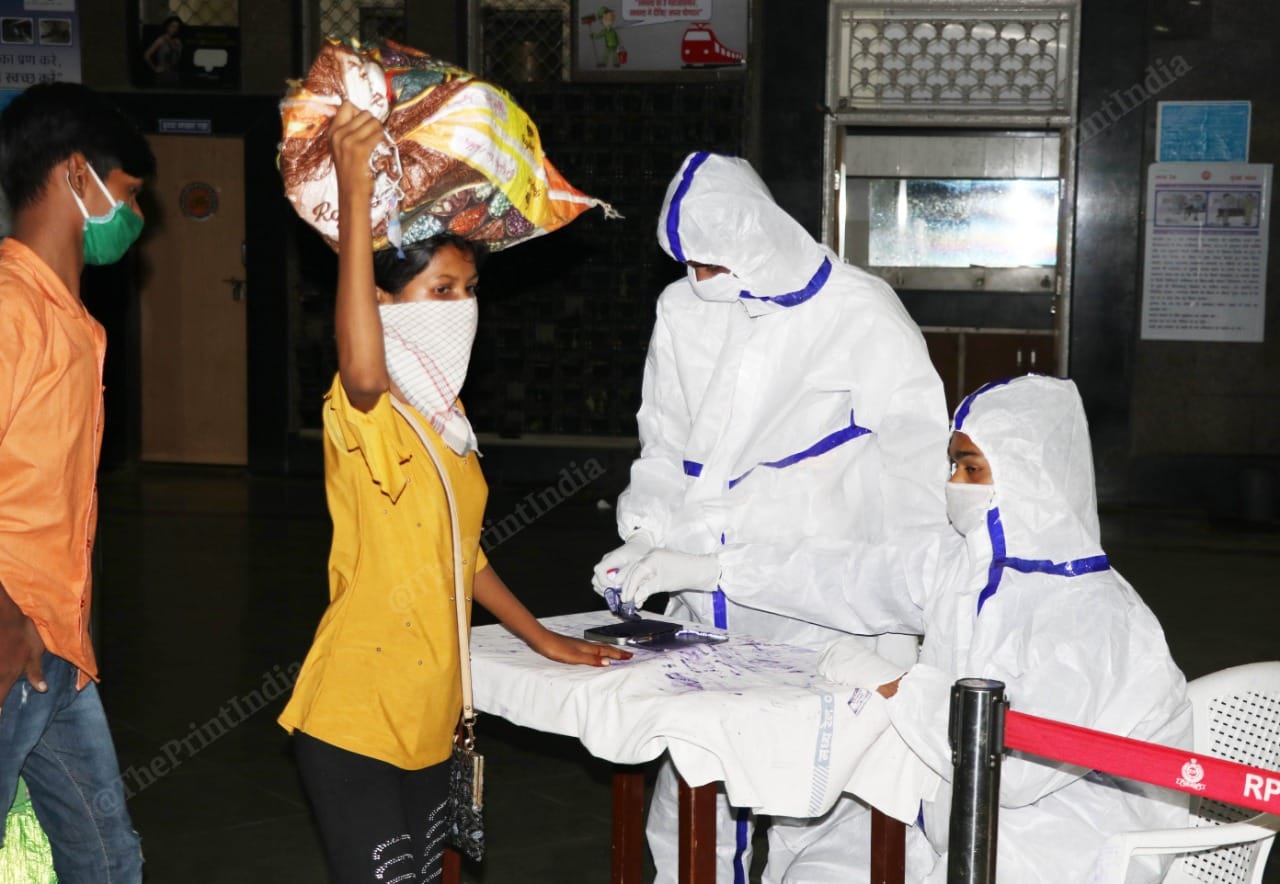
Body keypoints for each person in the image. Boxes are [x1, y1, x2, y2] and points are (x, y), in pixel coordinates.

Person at [277, 102, 631, 883]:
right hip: (357, 718)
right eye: (440, 290)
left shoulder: (449, 422)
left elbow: (459, 554)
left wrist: (541, 637)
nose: (461, 308)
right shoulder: (362, 408)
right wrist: (355, 191)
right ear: (381, 306)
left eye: (468, 290)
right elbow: (364, 369)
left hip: (433, 716)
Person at [592, 151, 950, 883]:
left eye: (713, 264)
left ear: (756, 240)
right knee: (697, 792)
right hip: (703, 601)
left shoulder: (858, 312)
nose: (698, 280)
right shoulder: (683, 310)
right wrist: (644, 534)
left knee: (822, 803)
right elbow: (663, 443)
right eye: (687, 263)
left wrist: (914, 604)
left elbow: (918, 472)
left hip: (820, 605)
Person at [819, 375, 1192, 883]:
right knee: (822, 865)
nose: (955, 483)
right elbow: (847, 576)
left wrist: (896, 686)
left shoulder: (1095, 615)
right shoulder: (970, 567)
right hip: (975, 821)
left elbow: (1013, 770)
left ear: (1029, 474)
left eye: (972, 468)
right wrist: (714, 570)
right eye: (953, 466)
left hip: (1079, 843)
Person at [0, 81, 153, 883]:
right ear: (74, 175)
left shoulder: (73, 323)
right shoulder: (10, 309)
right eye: (126, 195)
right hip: (11, 639)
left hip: (56, 648)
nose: (133, 218)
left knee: (106, 861)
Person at [143, 15, 183, 86]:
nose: (175, 29)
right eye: (172, 26)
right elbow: (146, 55)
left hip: (175, 75)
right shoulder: (161, 40)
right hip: (163, 75)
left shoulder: (178, 41)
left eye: (177, 27)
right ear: (167, 27)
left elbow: (178, 56)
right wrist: (155, 68)